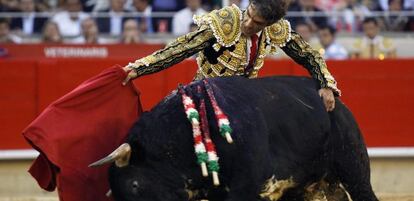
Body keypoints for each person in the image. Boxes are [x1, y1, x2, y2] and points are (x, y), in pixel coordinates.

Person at [123, 0, 340, 111]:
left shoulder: (277, 29)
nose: (248, 23)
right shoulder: (225, 20)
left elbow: (309, 54)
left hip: (244, 97)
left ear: (270, 24)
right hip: (205, 93)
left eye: (257, 23)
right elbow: (181, 48)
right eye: (249, 15)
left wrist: (325, 84)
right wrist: (140, 68)